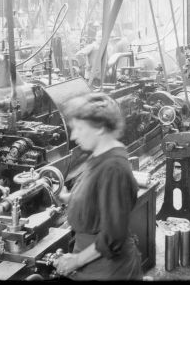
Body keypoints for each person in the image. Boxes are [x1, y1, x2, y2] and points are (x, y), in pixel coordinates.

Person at [53, 93, 142, 280]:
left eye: (79, 128)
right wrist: (67, 197)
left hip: (109, 270)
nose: (73, 135)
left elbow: (113, 236)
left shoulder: (113, 168)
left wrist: (75, 261)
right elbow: (95, 200)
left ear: (100, 128)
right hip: (93, 263)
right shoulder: (99, 156)